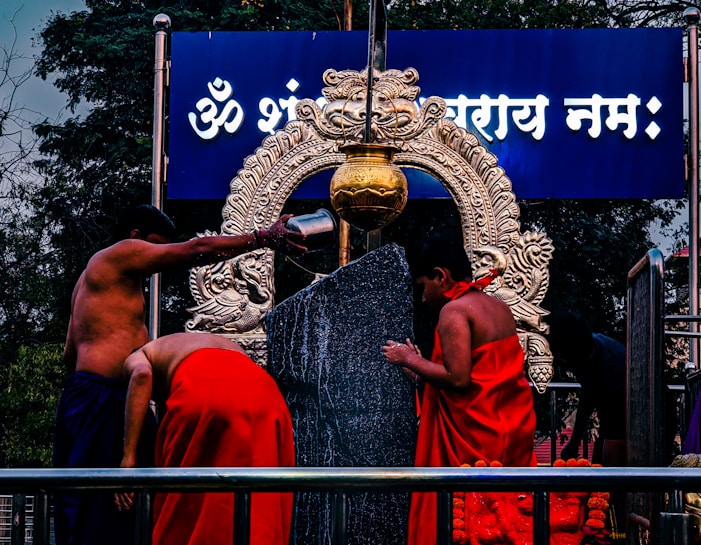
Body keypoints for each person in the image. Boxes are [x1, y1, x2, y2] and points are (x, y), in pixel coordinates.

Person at [53, 204, 305, 545]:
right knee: (105, 504)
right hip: (105, 396)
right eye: (156, 245)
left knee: (102, 501)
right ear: (136, 237)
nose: (158, 257)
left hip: (89, 396)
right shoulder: (120, 255)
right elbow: (196, 250)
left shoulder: (91, 281)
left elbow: (70, 351)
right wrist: (262, 238)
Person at [382, 233, 537, 545]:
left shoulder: (454, 311)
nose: (423, 298)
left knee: (472, 524)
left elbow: (458, 380)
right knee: (508, 521)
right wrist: (420, 370)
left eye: (423, 286)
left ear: (441, 276)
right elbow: (483, 373)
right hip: (511, 431)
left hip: (475, 441)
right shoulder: (498, 307)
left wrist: (408, 358)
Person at [114, 332, 295, 545]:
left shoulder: (141, 354)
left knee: (182, 496)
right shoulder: (192, 343)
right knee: (260, 497)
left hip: (202, 386)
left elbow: (141, 375)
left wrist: (128, 459)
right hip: (265, 393)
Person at [545, 312, 626, 466]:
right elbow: (588, 393)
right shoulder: (589, 349)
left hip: (642, 424)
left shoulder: (613, 378)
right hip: (616, 422)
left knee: (605, 471)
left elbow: (614, 451)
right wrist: (574, 442)